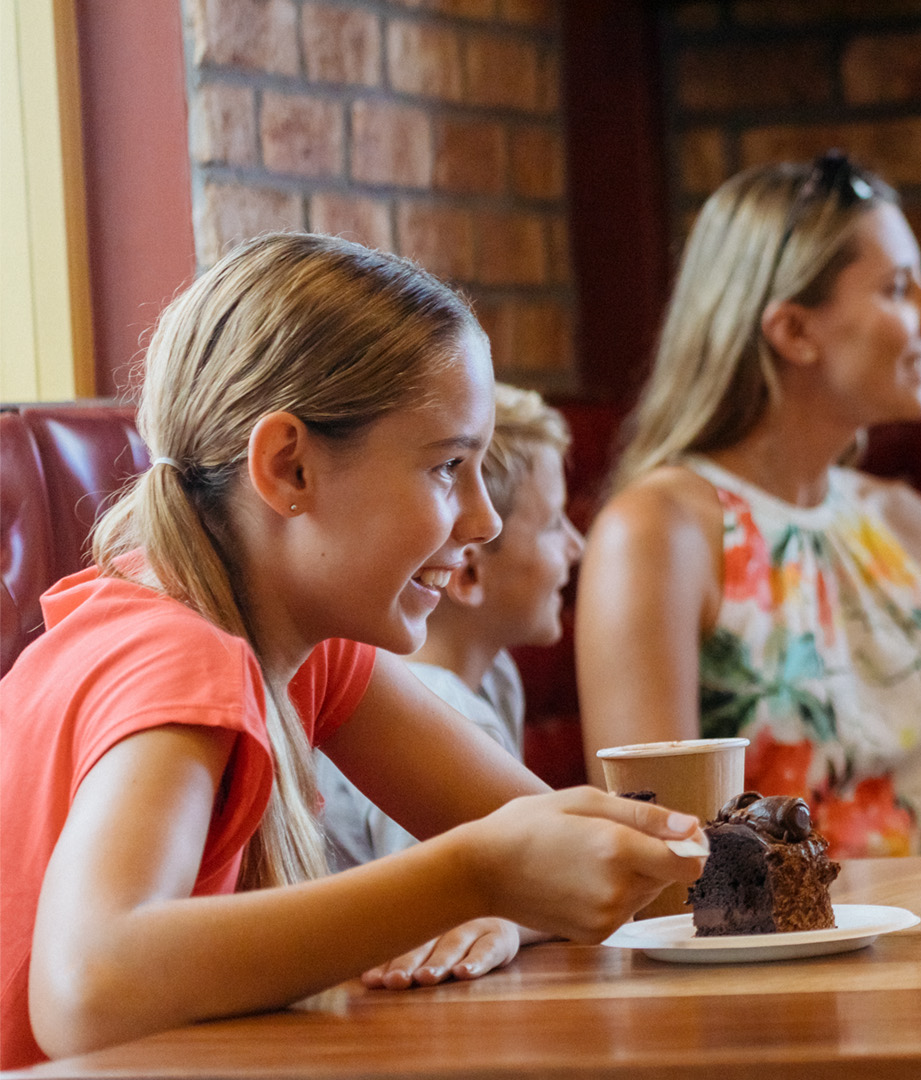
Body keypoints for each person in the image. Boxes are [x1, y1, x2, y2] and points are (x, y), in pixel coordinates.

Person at [0, 234, 703, 1068]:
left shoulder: (305, 647)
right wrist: (474, 878)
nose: (483, 522)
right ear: (289, 468)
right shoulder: (175, 650)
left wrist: (513, 902)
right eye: (449, 466)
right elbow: (87, 989)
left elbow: (584, 856)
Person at [576, 153, 921, 860]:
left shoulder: (908, 525)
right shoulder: (657, 532)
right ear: (794, 331)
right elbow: (652, 854)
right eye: (898, 288)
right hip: (761, 966)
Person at [319, 382, 583, 873]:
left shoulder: (496, 676)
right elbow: (454, 910)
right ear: (468, 572)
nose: (577, 545)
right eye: (552, 523)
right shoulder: (450, 709)